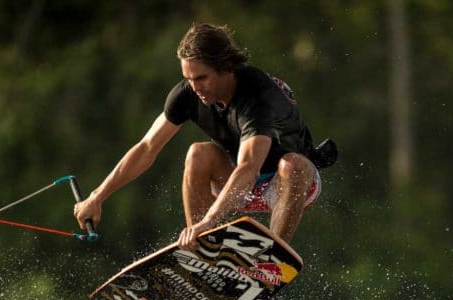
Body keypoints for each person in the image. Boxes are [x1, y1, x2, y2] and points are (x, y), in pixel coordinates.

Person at [74, 22, 333, 249]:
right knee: (198, 153)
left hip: (288, 185)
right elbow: (146, 148)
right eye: (188, 78)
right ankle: (202, 249)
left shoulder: (258, 95)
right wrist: (97, 197)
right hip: (238, 185)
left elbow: (248, 168)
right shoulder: (187, 92)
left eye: (202, 78)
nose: (195, 87)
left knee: (294, 165)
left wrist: (211, 218)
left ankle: (271, 260)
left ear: (226, 67)